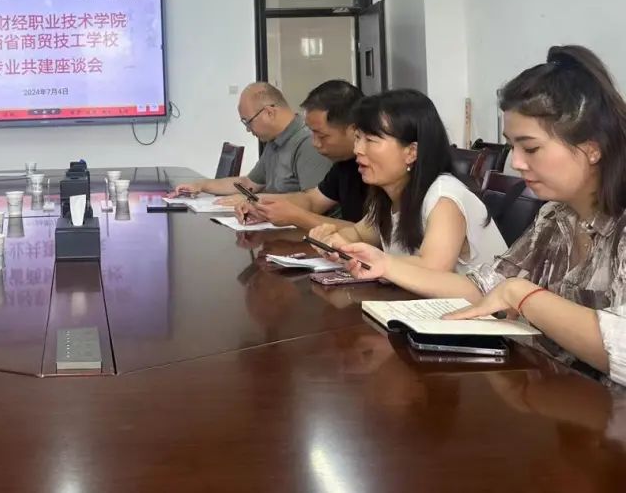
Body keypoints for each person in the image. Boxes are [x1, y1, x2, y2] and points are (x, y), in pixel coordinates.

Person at [333, 46, 626, 387]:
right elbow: (484, 288)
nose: (516, 162)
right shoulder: (555, 216)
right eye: (512, 146)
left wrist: (522, 295)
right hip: (556, 392)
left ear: (592, 147)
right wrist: (385, 265)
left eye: (531, 148)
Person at [310, 89, 505, 272]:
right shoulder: (389, 193)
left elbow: (432, 269)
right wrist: (334, 241)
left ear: (411, 152)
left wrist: (370, 257)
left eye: (370, 140)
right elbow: (359, 234)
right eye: (357, 138)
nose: (357, 150)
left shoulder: (444, 198)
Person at [235, 80, 367, 230]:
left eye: (322, 136)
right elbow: (312, 200)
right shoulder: (344, 164)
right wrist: (262, 205)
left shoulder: (376, 167)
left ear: (353, 130)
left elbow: (367, 234)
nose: (315, 143)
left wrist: (296, 216)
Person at [172, 82, 331, 201]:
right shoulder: (273, 141)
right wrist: (201, 185)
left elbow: (312, 201)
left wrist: (254, 200)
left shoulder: (309, 142)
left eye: (248, 122)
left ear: (269, 113)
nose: (248, 130)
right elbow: (249, 183)